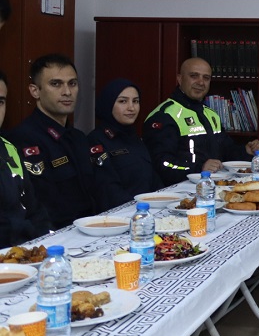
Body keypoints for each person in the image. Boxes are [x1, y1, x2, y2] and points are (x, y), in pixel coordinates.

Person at [6, 54, 98, 229]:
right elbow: (42, 208)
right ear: (35, 91)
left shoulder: (78, 138)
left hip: (90, 230)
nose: (67, 92)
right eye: (55, 84)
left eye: (72, 83)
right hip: (56, 238)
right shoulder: (24, 139)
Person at [143, 58, 259, 185]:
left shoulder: (211, 114)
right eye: (194, 76)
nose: (201, 82)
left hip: (214, 187)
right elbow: (162, 163)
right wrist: (200, 168)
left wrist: (246, 151)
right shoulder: (164, 115)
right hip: (178, 192)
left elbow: (227, 151)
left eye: (206, 78)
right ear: (179, 79)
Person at [88, 78, 164, 209]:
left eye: (136, 101)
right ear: (108, 104)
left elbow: (152, 179)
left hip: (148, 212)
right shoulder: (97, 140)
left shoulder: (134, 137)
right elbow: (108, 191)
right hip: (121, 217)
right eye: (123, 101)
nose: (131, 107)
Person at [0, 70, 50, 248]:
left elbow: (34, 209)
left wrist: (48, 245)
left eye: (0, 102)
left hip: (23, 252)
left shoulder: (9, 148)